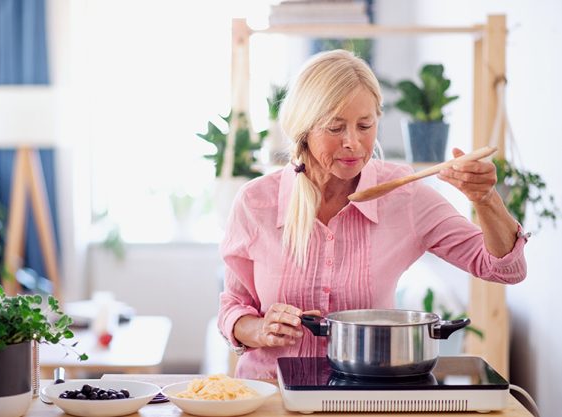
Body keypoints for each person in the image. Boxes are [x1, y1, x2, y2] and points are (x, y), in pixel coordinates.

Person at [217, 49, 528, 379]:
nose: (353, 143)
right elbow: (233, 307)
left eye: (365, 125)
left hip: (366, 395)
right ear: (303, 129)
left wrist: (486, 200)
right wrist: (261, 329)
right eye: (335, 128)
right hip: (269, 394)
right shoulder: (256, 202)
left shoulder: (404, 196)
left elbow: (506, 269)